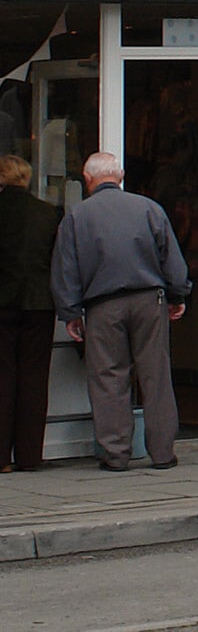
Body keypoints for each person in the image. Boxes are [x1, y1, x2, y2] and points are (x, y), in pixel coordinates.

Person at [49, 151, 189, 470]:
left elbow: (65, 268)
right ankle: (163, 452)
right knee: (156, 374)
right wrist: (177, 294)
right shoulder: (149, 208)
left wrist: (70, 312)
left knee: (108, 376)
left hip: (103, 305)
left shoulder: (76, 216)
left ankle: (116, 453)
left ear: (87, 180)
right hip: (148, 299)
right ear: (121, 175)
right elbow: (172, 259)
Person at [0, 155, 63, 472]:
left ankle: (1, 458)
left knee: (3, 376)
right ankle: (29, 456)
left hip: (3, 302)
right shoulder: (48, 213)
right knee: (34, 377)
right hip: (39, 302)